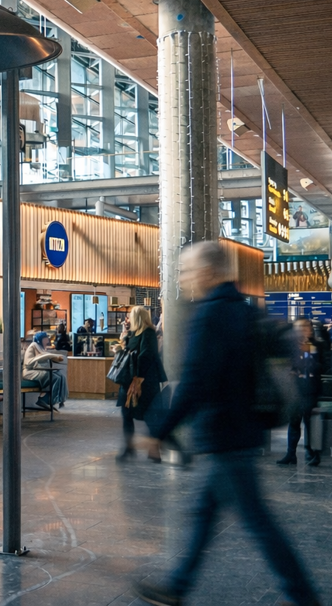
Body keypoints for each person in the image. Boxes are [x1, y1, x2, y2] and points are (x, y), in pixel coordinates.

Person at [135, 242, 320, 606]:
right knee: (205, 515)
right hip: (242, 430)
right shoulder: (245, 311)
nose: (185, 278)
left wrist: (158, 430)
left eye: (188, 270)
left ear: (208, 272)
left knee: (260, 524)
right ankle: (178, 585)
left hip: (224, 436)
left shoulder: (210, 315)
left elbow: (195, 382)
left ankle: (304, 596)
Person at [112, 305, 166, 462]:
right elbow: (132, 352)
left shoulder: (148, 333)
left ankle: (153, 449)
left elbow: (145, 356)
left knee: (148, 416)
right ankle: (129, 448)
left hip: (143, 382)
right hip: (131, 381)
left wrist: (138, 379)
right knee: (127, 414)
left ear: (137, 318)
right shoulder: (133, 333)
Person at [277, 318, 322, 466]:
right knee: (294, 422)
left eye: (304, 327)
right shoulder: (291, 347)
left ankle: (313, 453)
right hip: (295, 390)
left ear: (309, 329)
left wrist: (306, 348)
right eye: (298, 328)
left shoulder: (314, 345)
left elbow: (314, 365)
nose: (300, 331)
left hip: (310, 390)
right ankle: (291, 454)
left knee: (310, 423)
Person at [22, 331, 66, 411]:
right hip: (29, 372)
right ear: (41, 339)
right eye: (45, 338)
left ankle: (49, 399)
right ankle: (45, 399)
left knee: (60, 376)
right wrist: (55, 356)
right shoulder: (34, 345)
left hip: (35, 371)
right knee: (54, 377)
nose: (47, 340)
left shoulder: (40, 347)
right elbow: (43, 355)